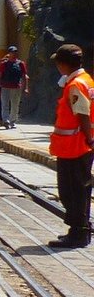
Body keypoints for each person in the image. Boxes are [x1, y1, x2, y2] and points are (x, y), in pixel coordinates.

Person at [48, 44, 94, 248]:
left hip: (74, 146)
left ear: (63, 64)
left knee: (71, 190)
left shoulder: (75, 85)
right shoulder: (87, 80)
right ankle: (79, 230)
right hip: (79, 145)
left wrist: (88, 138)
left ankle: (78, 233)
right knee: (80, 189)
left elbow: (82, 113)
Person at [0, 46, 29, 129]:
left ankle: (13, 121)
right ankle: (6, 120)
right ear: (9, 53)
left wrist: (26, 87)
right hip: (5, 86)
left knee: (15, 105)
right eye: (12, 52)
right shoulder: (3, 64)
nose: (13, 53)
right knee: (5, 104)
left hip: (16, 87)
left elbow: (24, 76)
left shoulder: (21, 64)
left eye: (15, 52)